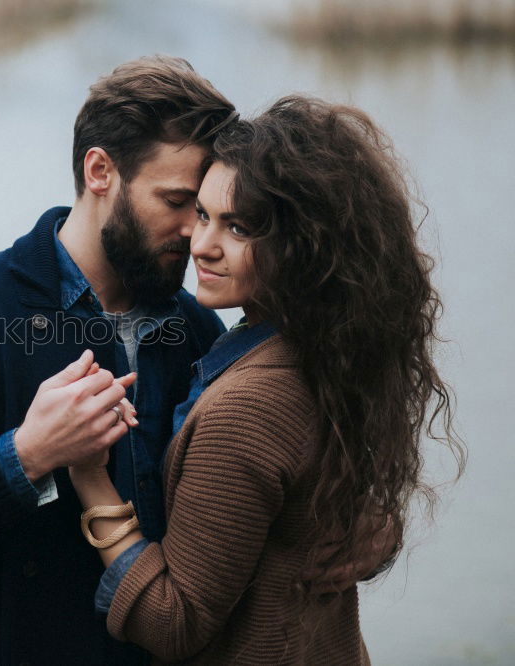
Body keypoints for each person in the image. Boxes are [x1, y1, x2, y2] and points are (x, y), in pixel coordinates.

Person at [0, 57, 383, 664]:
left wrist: (353, 528)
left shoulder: (199, 327)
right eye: (179, 202)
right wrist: (26, 455)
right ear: (99, 170)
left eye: (208, 210)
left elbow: (244, 515)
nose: (195, 234)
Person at [68, 96, 464, 664]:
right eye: (201, 214)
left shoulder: (248, 405)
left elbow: (172, 624)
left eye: (240, 228)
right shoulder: (333, 350)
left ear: (304, 244)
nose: (200, 245)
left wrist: (90, 477)